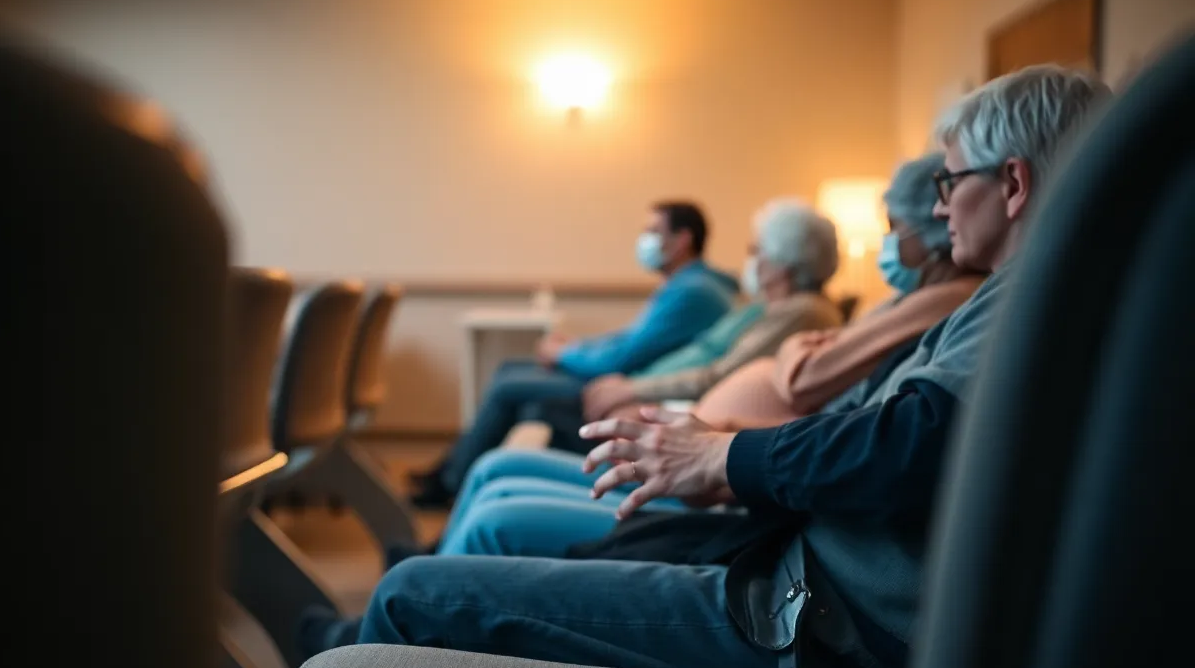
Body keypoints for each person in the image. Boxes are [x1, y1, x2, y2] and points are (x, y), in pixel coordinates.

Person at [313, 66, 1111, 668]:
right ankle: (344, 643)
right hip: (800, 566)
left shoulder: (1030, 299)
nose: (939, 212)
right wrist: (718, 458)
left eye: (948, 185)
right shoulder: (1039, 299)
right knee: (469, 552)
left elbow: (907, 441)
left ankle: (343, 652)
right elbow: (884, 424)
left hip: (817, 613)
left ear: (1011, 185)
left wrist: (722, 458)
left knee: (418, 593)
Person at [400, 153, 982, 561]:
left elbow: (790, 376)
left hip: (711, 464)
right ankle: (433, 537)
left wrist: (656, 403)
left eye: (757, 251)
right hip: (700, 442)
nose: (748, 260)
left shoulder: (811, 313)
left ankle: (428, 546)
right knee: (502, 456)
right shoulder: (774, 307)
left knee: (504, 451)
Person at [409, 200, 738, 508]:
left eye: (653, 231)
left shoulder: (695, 292)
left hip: (625, 383)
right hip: (626, 377)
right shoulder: (688, 285)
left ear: (682, 240)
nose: (644, 240)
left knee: (509, 387)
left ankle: (451, 481)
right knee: (511, 371)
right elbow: (627, 340)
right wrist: (574, 347)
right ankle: (452, 469)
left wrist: (565, 353)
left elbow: (621, 357)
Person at [693, 151, 987, 430]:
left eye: (893, 226)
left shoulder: (945, 298)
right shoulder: (913, 297)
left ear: (932, 232)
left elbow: (803, 380)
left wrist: (725, 438)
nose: (888, 239)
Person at [539, 198, 844, 454]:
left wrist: (634, 390)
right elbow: (700, 354)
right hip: (659, 398)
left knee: (541, 411)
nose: (750, 260)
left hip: (687, 419)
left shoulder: (804, 311)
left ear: (784, 262)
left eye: (756, 251)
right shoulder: (765, 306)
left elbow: (719, 374)